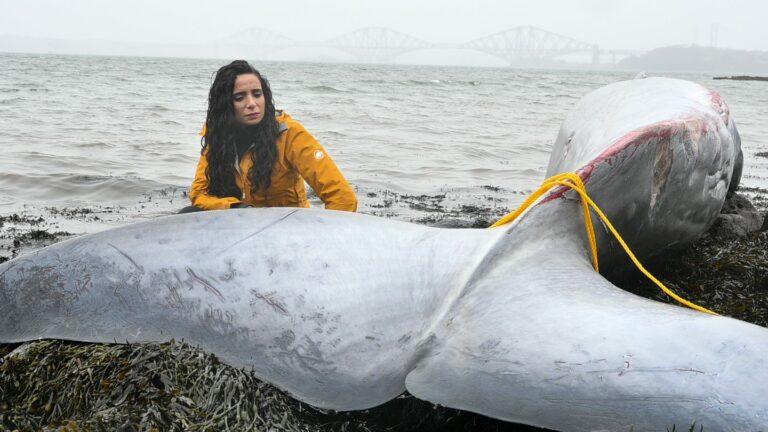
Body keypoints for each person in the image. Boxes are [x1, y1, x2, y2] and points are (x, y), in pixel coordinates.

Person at [184, 60, 357, 213]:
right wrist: (234, 207)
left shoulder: (290, 135)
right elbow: (199, 194)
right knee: (188, 213)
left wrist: (320, 241)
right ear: (225, 105)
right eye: (239, 97)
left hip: (286, 232)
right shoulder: (217, 136)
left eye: (257, 94)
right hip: (237, 226)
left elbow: (343, 198)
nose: (252, 104)